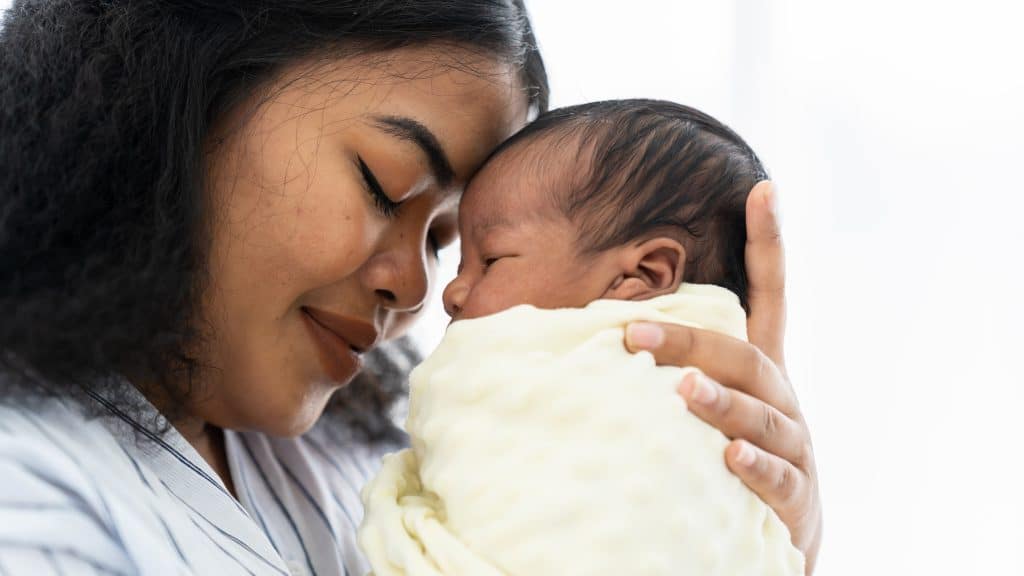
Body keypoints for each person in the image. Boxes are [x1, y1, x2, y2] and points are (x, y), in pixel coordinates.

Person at [0, 2, 821, 575]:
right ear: (182, 96)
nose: (420, 290)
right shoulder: (27, 496)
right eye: (385, 187)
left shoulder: (367, 456)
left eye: (443, 241)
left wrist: (720, 516)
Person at [359, 99, 804, 575]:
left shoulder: (703, 398)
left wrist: (795, 540)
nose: (450, 292)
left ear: (645, 275)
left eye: (490, 259)